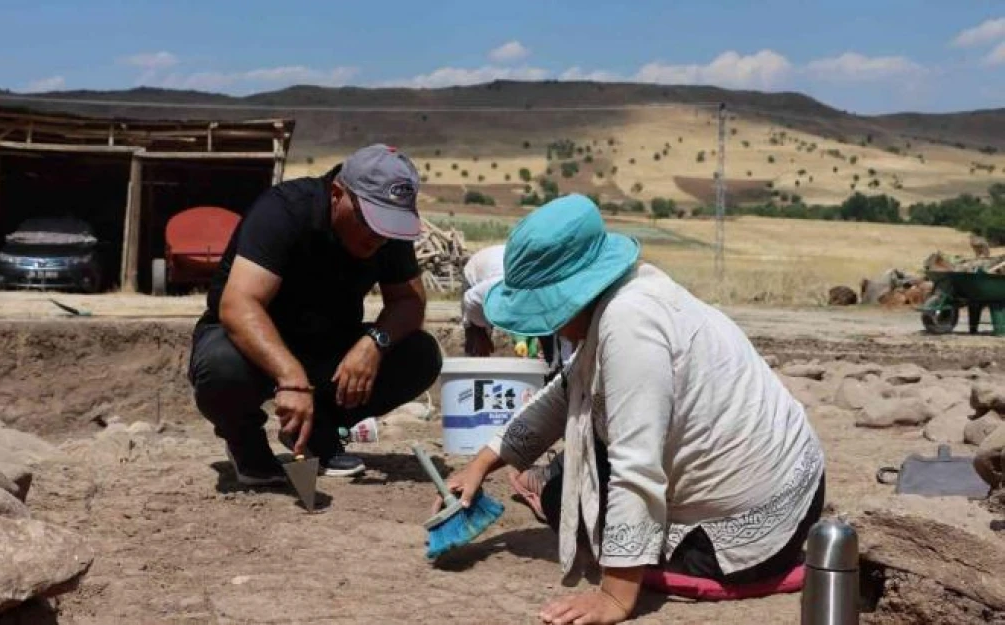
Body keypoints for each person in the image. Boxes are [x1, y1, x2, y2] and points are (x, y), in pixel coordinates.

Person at [437, 194, 825, 625]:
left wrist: (615, 596)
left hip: (756, 520)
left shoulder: (629, 322)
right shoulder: (623, 292)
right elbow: (564, 392)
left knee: (567, 502)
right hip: (790, 485)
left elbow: (636, 467)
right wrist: (481, 465)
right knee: (571, 485)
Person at [189, 144, 443, 485]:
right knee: (221, 366)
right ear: (338, 194)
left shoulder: (385, 234)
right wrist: (291, 379)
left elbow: (409, 302)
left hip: (326, 346)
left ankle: (319, 432)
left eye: (389, 226)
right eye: (371, 222)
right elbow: (239, 305)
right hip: (249, 347)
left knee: (420, 354)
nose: (379, 238)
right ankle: (245, 442)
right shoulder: (284, 211)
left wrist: (373, 344)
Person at [461, 243, 572, 375]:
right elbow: (470, 299)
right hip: (479, 272)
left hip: (513, 271)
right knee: (477, 344)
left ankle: (550, 371)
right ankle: (473, 379)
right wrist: (481, 329)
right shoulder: (500, 287)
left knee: (551, 346)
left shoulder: (555, 301)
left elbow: (563, 344)